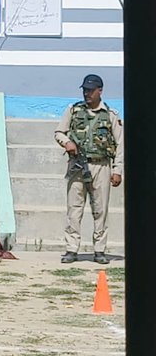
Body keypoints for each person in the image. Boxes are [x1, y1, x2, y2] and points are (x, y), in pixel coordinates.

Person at [54, 74, 124, 265]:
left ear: (100, 91)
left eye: (90, 90)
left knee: (100, 209)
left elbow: (120, 145)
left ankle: (100, 250)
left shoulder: (111, 115)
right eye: (85, 90)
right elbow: (59, 131)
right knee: (74, 209)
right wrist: (67, 142)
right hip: (77, 165)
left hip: (101, 165)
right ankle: (71, 249)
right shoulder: (74, 110)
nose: (87, 94)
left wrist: (117, 170)